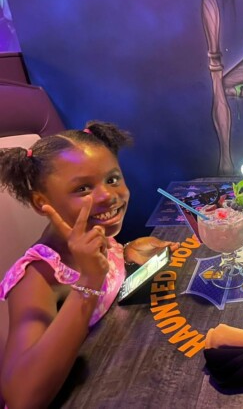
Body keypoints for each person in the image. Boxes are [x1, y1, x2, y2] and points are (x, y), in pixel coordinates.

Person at [0, 121, 179, 407]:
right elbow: (21, 398)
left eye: (112, 179)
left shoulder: (93, 235)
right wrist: (89, 281)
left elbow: (107, 276)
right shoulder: (37, 276)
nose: (108, 195)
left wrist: (127, 251)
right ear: (41, 202)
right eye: (83, 188)